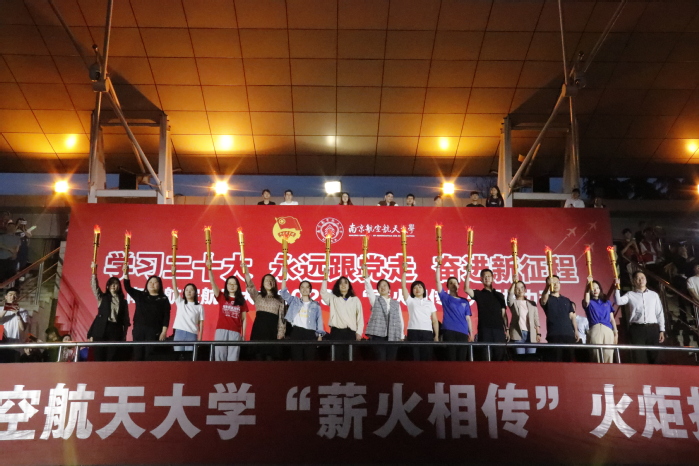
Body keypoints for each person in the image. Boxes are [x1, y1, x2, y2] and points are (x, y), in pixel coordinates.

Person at [614, 272, 665, 364]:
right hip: (637, 329)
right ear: (634, 281)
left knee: (655, 357)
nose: (641, 280)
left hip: (652, 328)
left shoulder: (654, 295)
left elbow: (659, 313)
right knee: (639, 357)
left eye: (642, 277)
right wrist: (617, 288)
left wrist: (662, 330)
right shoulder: (630, 294)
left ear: (646, 280)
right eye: (638, 278)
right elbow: (618, 301)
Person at [123, 263, 171, 361]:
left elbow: (166, 317)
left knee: (149, 355)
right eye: (150, 282)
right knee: (138, 355)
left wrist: (164, 332)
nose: (152, 284)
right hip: (139, 329)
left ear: (160, 285)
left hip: (154, 330)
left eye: (155, 282)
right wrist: (126, 273)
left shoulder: (163, 299)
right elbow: (128, 287)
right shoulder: (141, 295)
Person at [280, 265, 325, 361]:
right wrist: (284, 277)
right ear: (299, 289)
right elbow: (283, 293)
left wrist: (320, 336)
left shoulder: (316, 305)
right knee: (297, 359)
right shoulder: (294, 301)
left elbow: (319, 321)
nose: (305, 289)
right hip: (297, 332)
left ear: (310, 290)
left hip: (310, 333)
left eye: (307, 287)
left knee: (310, 360)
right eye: (302, 287)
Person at [206, 259, 248, 361]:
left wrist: (243, 335)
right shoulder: (221, 297)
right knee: (219, 357)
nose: (232, 286)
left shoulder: (241, 300)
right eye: (229, 284)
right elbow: (212, 282)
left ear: (238, 286)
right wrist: (209, 269)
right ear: (226, 285)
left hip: (235, 332)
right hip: (221, 330)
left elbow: (244, 319)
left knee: (233, 358)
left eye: (234, 284)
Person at [88, 262, 130, 361]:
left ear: (119, 286)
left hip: (115, 329)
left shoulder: (123, 301)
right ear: (107, 286)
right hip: (101, 328)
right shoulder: (102, 297)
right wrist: (94, 272)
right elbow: (94, 287)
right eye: (111, 284)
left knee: (112, 355)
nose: (113, 286)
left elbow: (125, 319)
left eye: (116, 284)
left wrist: (124, 334)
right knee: (99, 355)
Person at [464, 268, 508, 360]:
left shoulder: (499, 295)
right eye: (484, 277)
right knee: (486, 356)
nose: (487, 278)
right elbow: (466, 289)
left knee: (500, 356)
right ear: (481, 279)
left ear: (492, 278)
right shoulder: (479, 294)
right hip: (485, 330)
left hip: (499, 330)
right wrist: (468, 272)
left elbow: (503, 314)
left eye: (489, 276)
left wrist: (507, 329)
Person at [244, 266, 286, 361]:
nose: (269, 282)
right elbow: (250, 286)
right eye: (267, 280)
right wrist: (246, 272)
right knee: (258, 357)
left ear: (275, 283)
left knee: (270, 358)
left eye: (272, 280)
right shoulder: (258, 296)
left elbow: (282, 317)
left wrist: (281, 332)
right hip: (259, 330)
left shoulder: (280, 299)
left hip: (272, 331)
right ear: (262, 283)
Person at [363, 264, 404, 361]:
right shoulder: (375, 300)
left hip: (393, 335)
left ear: (389, 289)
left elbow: (400, 320)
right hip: (378, 335)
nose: (382, 287)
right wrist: (366, 276)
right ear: (378, 290)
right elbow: (369, 289)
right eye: (380, 286)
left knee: (391, 360)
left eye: (385, 285)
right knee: (380, 359)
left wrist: (401, 335)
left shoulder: (396, 303)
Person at [320, 270, 363, 361]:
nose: (343, 285)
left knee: (350, 358)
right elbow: (323, 293)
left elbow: (360, 318)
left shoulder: (355, 300)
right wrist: (325, 277)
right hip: (337, 332)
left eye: (345, 283)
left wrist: (359, 332)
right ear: (338, 286)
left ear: (349, 286)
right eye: (341, 283)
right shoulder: (333, 298)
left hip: (350, 333)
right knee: (336, 358)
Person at [435, 263, 473, 361]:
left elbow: (468, 318)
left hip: (463, 332)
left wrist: (471, 333)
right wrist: (438, 266)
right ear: (447, 286)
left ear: (459, 285)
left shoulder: (465, 301)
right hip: (449, 331)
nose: (453, 284)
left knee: (462, 359)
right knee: (451, 358)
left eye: (455, 283)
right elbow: (437, 281)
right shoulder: (445, 297)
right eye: (451, 283)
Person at [402, 266, 438, 361]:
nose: (417, 289)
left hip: (427, 332)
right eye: (415, 288)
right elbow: (403, 286)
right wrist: (404, 271)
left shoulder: (429, 303)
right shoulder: (410, 300)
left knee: (427, 357)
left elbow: (434, 320)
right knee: (414, 357)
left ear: (424, 290)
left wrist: (436, 335)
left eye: (420, 287)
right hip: (413, 330)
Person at [540, 275, 578, 362]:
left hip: (568, 335)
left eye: (557, 282)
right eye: (553, 282)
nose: (555, 284)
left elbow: (572, 316)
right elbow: (543, 300)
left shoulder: (566, 300)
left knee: (569, 362)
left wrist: (575, 330)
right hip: (554, 335)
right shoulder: (547, 299)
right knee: (556, 362)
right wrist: (547, 287)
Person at [171, 263, 204, 357]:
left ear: (195, 292)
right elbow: (174, 288)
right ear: (184, 292)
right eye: (186, 290)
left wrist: (200, 338)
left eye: (191, 290)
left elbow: (201, 323)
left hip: (192, 334)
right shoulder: (180, 302)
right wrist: (173, 275)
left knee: (190, 357)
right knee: (178, 357)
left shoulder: (199, 306)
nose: (189, 292)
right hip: (179, 333)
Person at [582, 277, 618, 363]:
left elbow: (612, 319)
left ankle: (608, 371)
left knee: (609, 354)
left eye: (597, 288)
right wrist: (587, 286)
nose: (595, 290)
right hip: (595, 329)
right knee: (596, 354)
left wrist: (616, 332)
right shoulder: (589, 302)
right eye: (593, 288)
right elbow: (586, 300)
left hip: (608, 329)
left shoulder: (607, 302)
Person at [507, 281, 540, 360]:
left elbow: (536, 318)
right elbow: (510, 296)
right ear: (514, 291)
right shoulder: (513, 303)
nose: (520, 290)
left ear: (525, 290)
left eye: (522, 288)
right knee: (520, 359)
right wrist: (514, 283)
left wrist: (538, 333)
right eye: (517, 288)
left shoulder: (532, 303)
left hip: (531, 334)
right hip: (518, 334)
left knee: (531, 359)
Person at [0, 287, 27, 362]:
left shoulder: (23, 311)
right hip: (1, 344)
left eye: (15, 295)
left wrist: (18, 314)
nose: (12, 297)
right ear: (6, 297)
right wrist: (6, 308)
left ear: (18, 298)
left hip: (15, 346)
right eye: (10, 295)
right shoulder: (0, 309)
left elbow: (23, 328)